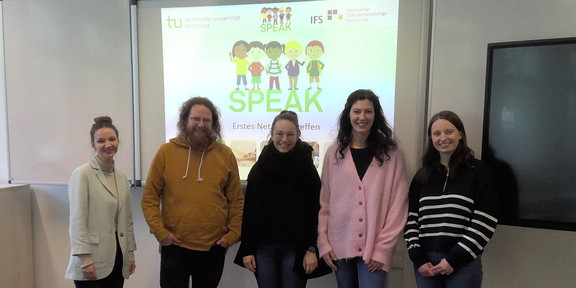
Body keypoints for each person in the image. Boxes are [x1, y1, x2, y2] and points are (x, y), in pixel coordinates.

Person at [141, 96, 244, 288]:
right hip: (175, 248)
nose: (201, 124)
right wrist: (160, 233)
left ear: (213, 124)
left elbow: (236, 200)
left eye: (207, 120)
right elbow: (149, 199)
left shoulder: (226, 155)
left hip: (213, 248)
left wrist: (233, 235)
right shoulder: (166, 152)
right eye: (196, 119)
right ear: (185, 120)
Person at [317, 89, 409, 287]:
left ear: (376, 116)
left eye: (368, 111)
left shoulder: (391, 152)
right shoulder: (334, 153)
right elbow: (325, 203)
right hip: (338, 247)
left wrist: (383, 248)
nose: (362, 117)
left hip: (375, 249)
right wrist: (323, 243)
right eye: (356, 111)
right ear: (348, 114)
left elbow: (398, 205)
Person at [234, 110, 329, 287]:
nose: (284, 139)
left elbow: (315, 213)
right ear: (272, 134)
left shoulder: (307, 170)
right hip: (264, 249)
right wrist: (247, 249)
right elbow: (250, 212)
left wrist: (311, 248)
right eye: (279, 133)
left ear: (298, 135)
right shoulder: (259, 168)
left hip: (296, 249)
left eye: (290, 134)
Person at [404, 111, 498, 288]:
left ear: (460, 134)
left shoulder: (479, 171)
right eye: (437, 133)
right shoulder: (422, 176)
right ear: (431, 138)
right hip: (427, 265)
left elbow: (485, 220)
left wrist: (455, 259)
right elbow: (411, 219)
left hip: (464, 263)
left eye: (449, 131)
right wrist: (418, 258)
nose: (443, 138)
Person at [65, 116, 136, 288]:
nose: (108, 144)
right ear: (93, 145)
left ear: (118, 141)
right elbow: (77, 221)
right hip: (92, 258)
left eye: (112, 139)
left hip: (118, 256)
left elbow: (126, 219)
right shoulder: (82, 174)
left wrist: (130, 253)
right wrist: (84, 258)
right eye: (101, 141)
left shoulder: (121, 177)